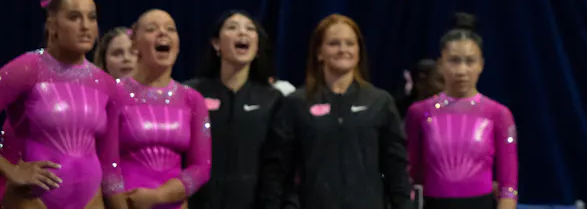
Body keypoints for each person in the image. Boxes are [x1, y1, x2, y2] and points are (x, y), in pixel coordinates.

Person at [259, 14, 410, 209]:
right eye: (334, 43)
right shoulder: (296, 103)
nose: (343, 49)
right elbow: (277, 169)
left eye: (350, 43)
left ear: (359, 52)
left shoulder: (379, 102)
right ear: (319, 53)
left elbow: (396, 168)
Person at [0, 0, 125, 209]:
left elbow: (110, 164)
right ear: (52, 25)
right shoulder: (27, 69)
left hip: (91, 202)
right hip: (32, 201)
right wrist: (11, 170)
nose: (85, 26)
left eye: (92, 17)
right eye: (74, 17)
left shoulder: (107, 85)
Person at [404, 15, 519, 209]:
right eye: (454, 61)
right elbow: (411, 175)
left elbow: (509, 186)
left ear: (481, 64)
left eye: (470, 61)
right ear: (440, 64)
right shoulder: (419, 113)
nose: (462, 70)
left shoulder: (498, 114)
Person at [187, 11, 284, 209]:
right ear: (216, 44)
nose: (242, 33)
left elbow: (276, 166)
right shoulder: (192, 93)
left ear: (257, 48)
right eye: (232, 27)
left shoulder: (272, 99)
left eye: (250, 29)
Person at [118, 9, 213, 209]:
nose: (163, 33)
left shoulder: (192, 99)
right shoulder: (115, 93)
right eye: (152, 29)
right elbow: (104, 162)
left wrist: (160, 196)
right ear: (134, 42)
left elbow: (202, 168)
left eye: (171, 29)